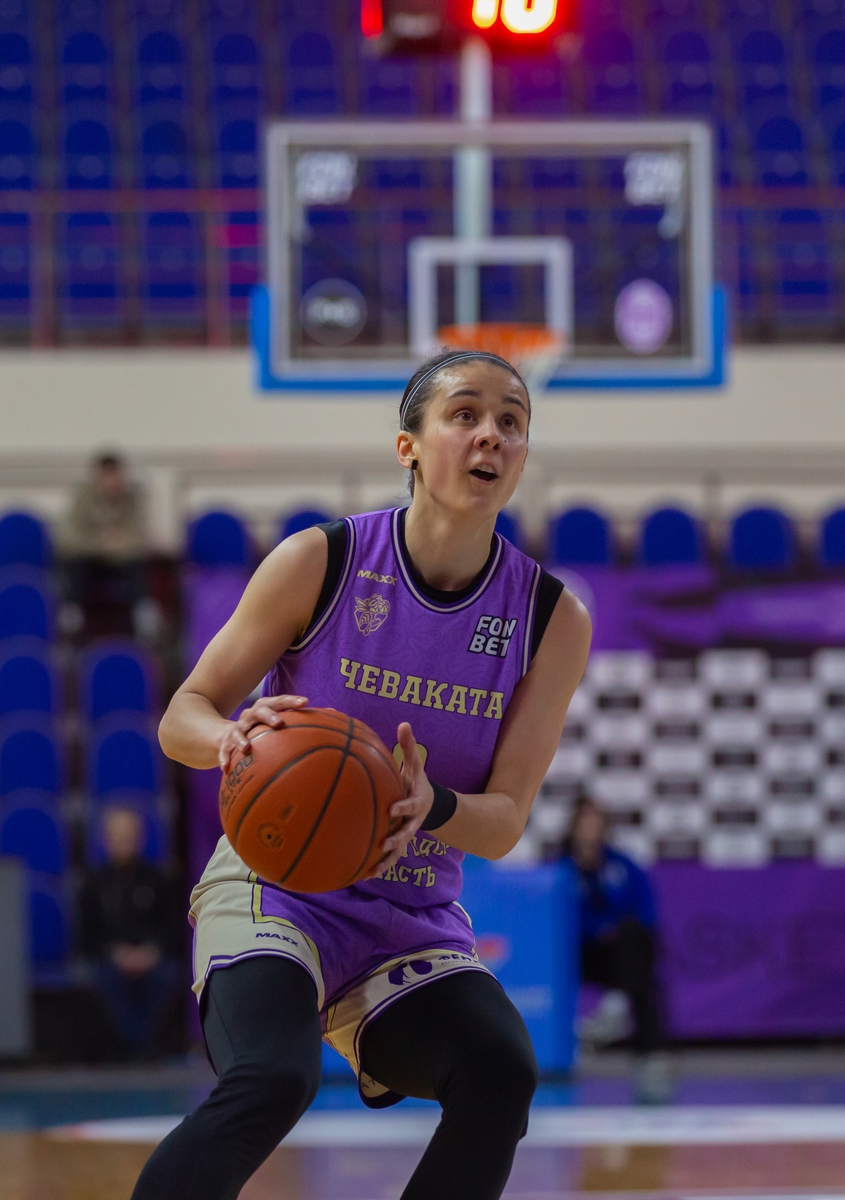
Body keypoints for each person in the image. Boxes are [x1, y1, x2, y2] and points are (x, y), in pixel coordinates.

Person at [134, 349, 592, 1200]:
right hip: (276, 885)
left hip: (406, 917)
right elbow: (181, 717)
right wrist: (234, 738)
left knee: (499, 1070)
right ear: (408, 445)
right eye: (464, 414)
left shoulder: (550, 619)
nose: (491, 434)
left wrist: (432, 804)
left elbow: (504, 821)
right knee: (273, 1078)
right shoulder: (323, 561)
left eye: (512, 421)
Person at [81, 805, 182, 1060]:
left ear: (139, 839)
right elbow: (87, 933)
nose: (123, 844)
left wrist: (151, 951)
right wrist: (115, 952)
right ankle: (136, 1045)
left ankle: (137, 1044)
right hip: (110, 957)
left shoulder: (158, 880)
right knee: (104, 978)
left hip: (151, 957)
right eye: (118, 837)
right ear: (106, 840)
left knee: (168, 975)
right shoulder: (93, 883)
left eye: (128, 837)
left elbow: (171, 927)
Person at [566, 797, 661, 1058]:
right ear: (573, 830)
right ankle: (559, 1041)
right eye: (584, 826)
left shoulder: (621, 865)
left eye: (595, 826)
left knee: (638, 946)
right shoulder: (562, 870)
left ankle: (623, 1019)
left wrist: (614, 929)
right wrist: (596, 929)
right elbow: (555, 919)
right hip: (578, 952)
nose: (589, 834)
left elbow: (646, 912)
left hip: (617, 953)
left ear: (604, 830)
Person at [61, 451, 149, 638]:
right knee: (75, 566)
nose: (111, 482)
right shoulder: (82, 498)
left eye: (115, 476)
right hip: (90, 558)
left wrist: (118, 545)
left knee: (137, 566)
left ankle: (143, 619)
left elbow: (139, 537)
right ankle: (72, 617)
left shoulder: (131, 499)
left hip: (120, 560)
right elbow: (72, 538)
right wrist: (103, 542)